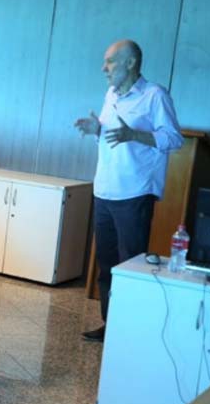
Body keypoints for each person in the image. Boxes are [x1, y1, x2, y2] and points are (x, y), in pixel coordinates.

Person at [74, 39, 183, 342]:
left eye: (110, 62)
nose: (103, 68)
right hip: (105, 190)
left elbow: (174, 139)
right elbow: (112, 139)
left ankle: (129, 331)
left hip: (134, 192)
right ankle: (112, 326)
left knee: (129, 267)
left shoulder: (154, 95)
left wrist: (135, 134)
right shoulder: (111, 95)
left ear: (131, 63)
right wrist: (97, 130)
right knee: (106, 266)